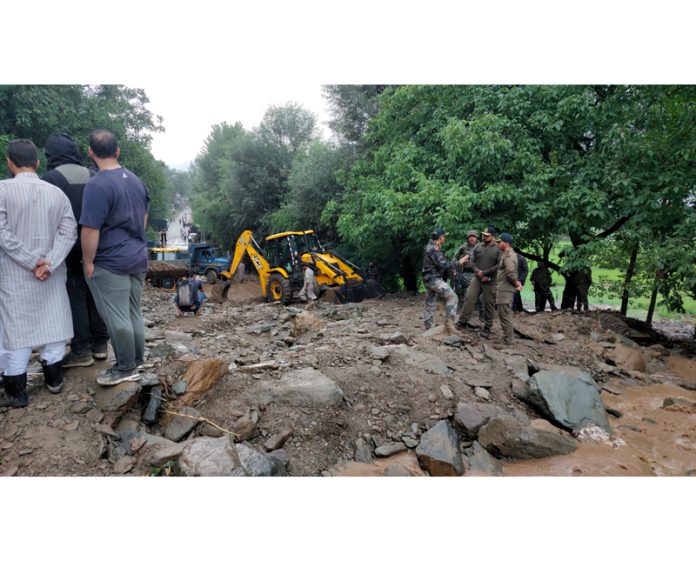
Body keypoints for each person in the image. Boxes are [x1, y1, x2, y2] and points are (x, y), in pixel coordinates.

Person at [0, 139, 77, 408]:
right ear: (37, 163)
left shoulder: (2, 190)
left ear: (9, 162)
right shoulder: (57, 193)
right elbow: (69, 232)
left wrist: (31, 262)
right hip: (51, 274)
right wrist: (50, 263)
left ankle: (16, 392)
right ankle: (54, 380)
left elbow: (2, 233)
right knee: (53, 323)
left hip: (14, 274)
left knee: (15, 329)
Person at [81, 129, 150, 387]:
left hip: (110, 262)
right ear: (117, 151)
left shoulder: (97, 184)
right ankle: (137, 360)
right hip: (137, 257)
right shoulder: (136, 180)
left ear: (90, 152)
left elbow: (90, 229)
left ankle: (125, 367)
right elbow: (143, 219)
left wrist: (88, 262)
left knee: (116, 317)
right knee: (133, 312)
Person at [41, 132, 110, 368]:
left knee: (76, 294)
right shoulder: (93, 174)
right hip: (97, 244)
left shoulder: (49, 178)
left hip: (67, 247)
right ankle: (101, 344)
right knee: (95, 293)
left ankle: (81, 350)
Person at [457, 226, 501, 337]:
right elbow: (472, 260)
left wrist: (486, 273)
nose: (484, 237)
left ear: (493, 236)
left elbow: (499, 265)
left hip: (490, 280)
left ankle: (487, 326)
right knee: (469, 298)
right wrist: (477, 271)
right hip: (477, 277)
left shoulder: (498, 248)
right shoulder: (478, 246)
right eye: (483, 235)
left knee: (489, 303)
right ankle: (463, 321)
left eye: (487, 235)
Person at [422, 228, 469, 333]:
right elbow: (443, 264)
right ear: (440, 237)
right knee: (452, 297)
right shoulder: (434, 248)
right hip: (433, 279)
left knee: (430, 301)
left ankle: (428, 325)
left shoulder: (429, 246)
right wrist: (459, 263)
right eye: (444, 236)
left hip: (428, 279)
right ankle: (450, 324)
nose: (445, 238)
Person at [493, 233, 522, 346]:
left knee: (505, 314)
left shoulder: (508, 255)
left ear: (506, 243)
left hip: (505, 290)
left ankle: (508, 341)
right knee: (503, 314)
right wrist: (517, 282)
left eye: (499, 242)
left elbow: (510, 273)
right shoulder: (506, 254)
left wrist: (516, 284)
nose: (497, 243)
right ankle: (507, 338)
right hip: (503, 289)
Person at [453, 230, 480, 315]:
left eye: (473, 237)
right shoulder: (463, 247)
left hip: (478, 272)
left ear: (476, 238)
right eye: (470, 237)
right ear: (468, 238)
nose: (472, 238)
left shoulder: (481, 247)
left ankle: (479, 311)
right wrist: (460, 262)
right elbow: (454, 259)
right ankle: (465, 310)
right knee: (465, 290)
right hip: (466, 272)